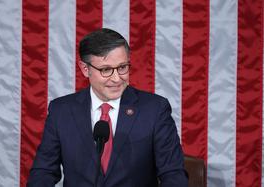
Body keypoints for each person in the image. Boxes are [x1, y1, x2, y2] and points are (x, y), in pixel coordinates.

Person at [27, 28, 188, 187]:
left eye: (122, 67)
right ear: (85, 69)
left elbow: (173, 174)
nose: (117, 78)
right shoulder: (61, 111)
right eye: (106, 70)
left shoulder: (154, 109)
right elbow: (43, 172)